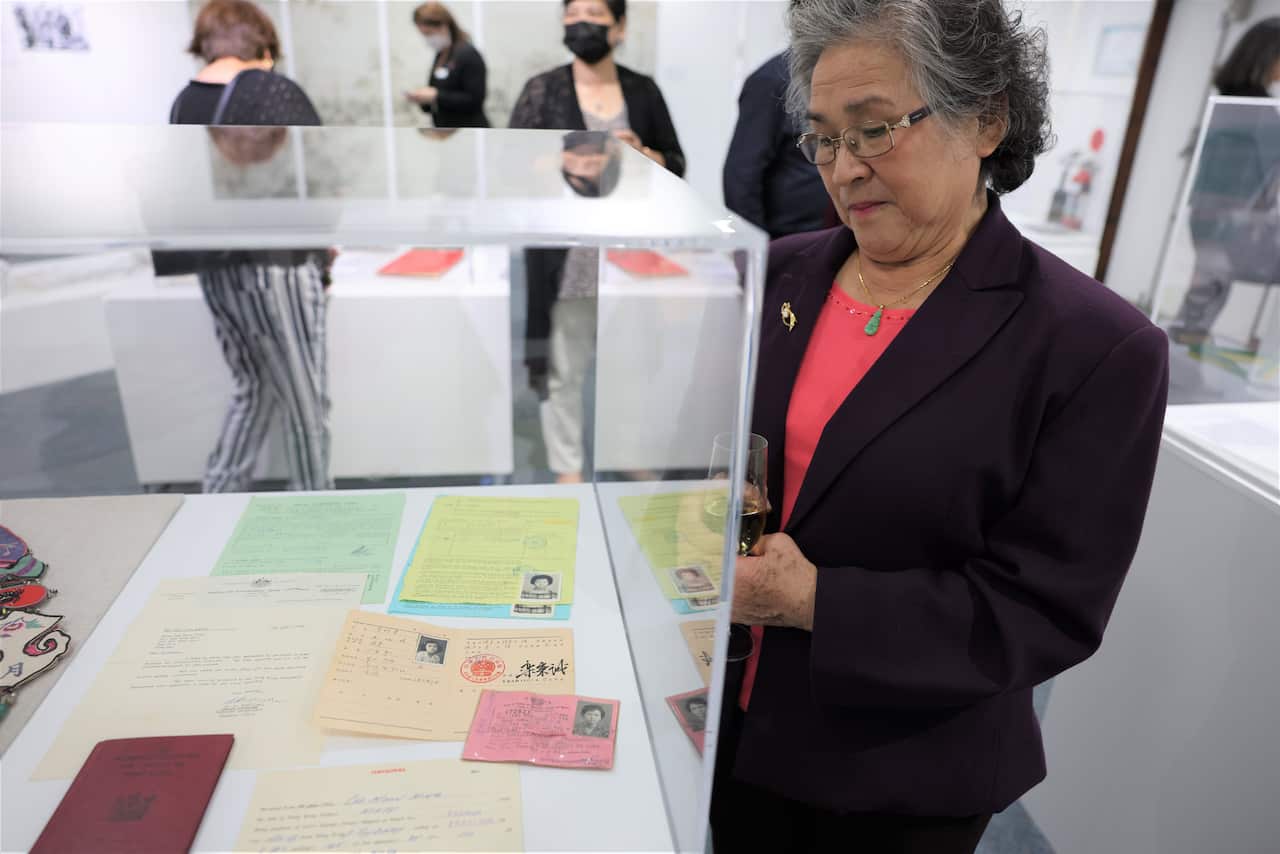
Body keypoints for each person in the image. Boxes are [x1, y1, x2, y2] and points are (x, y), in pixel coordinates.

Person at [710, 2, 1169, 852]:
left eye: (874, 130)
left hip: (897, 775)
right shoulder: (785, 275)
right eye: (822, 138)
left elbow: (1045, 609)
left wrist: (815, 600)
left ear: (986, 118)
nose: (843, 170)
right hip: (730, 723)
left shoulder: (1092, 346)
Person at [510, 0, 685, 483]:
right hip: (567, 254)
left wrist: (643, 155)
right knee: (565, 365)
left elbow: (676, 162)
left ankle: (625, 451)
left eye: (593, 12)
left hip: (630, 252)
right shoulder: (542, 90)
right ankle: (567, 467)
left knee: (629, 363)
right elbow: (509, 165)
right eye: (571, 12)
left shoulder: (643, 91)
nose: (580, 22)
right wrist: (566, 161)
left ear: (620, 25)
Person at [163, 0, 332, 494]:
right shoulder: (273, 91)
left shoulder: (183, 102)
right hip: (277, 265)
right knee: (306, 403)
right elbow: (315, 175)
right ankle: (318, 512)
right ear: (262, 43)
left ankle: (216, 496)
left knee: (253, 388)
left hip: (215, 267)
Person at [1169, 17, 1280, 346]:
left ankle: (1186, 354)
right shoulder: (1250, 109)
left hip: (1212, 210)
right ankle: (1182, 356)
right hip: (1229, 213)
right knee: (1209, 287)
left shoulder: (1229, 103)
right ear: (1265, 57)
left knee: (1209, 285)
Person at [724, 51, 833, 239]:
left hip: (836, 234)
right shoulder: (772, 80)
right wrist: (761, 250)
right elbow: (741, 175)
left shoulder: (844, 72)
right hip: (791, 239)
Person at [404, 2, 489, 128]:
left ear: (444, 25)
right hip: (444, 130)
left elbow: (475, 100)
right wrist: (423, 98)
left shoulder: (468, 54)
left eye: (429, 33)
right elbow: (436, 96)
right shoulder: (441, 54)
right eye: (424, 35)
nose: (427, 38)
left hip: (468, 130)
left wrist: (436, 95)